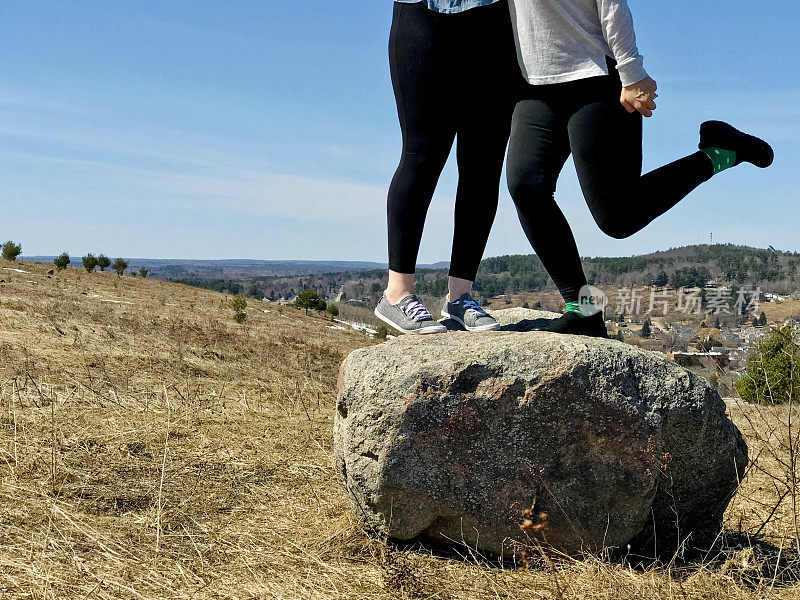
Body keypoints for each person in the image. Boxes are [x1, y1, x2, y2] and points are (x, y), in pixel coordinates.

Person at [506, 0, 774, 338]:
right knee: (525, 185)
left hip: (597, 76)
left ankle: (721, 152)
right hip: (534, 84)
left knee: (617, 217)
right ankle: (582, 309)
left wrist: (630, 71)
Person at [374, 0, 519, 334]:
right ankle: (397, 293)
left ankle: (460, 296)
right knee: (422, 155)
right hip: (424, 16)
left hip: (496, 21)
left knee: (483, 164)